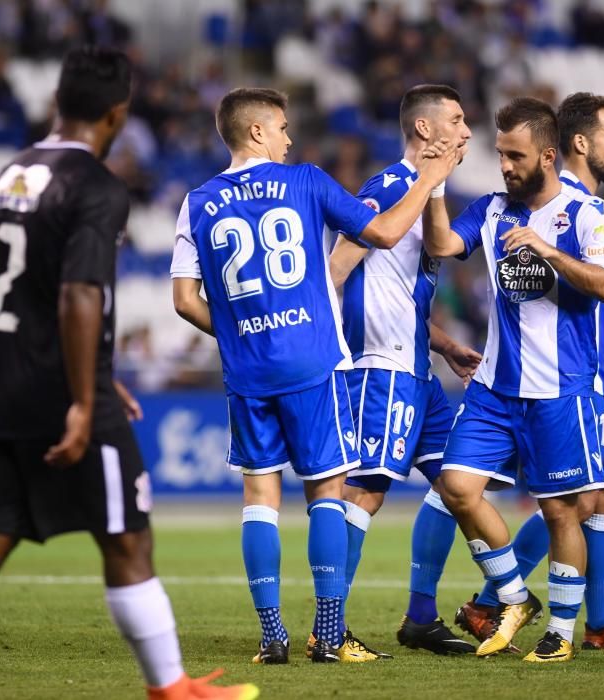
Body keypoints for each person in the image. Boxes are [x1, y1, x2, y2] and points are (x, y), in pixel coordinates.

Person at [0, 47, 257, 700]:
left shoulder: (8, 175)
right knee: (128, 537)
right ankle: (170, 687)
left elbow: (8, 297)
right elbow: (79, 295)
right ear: (118, 114)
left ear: (55, 103)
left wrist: (88, 369)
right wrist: (83, 395)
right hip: (62, 392)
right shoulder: (95, 185)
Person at [170, 88, 459, 664]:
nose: (288, 137)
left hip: (247, 368)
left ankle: (271, 636)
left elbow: (183, 300)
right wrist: (428, 181)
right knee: (327, 490)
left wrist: (239, 336)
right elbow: (378, 234)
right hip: (312, 361)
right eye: (279, 127)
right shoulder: (304, 180)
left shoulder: (197, 201)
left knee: (259, 497)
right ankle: (329, 634)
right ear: (256, 133)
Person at [455, 92, 604, 651]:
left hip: (582, 380)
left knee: (592, 499)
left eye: (514, 155)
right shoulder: (519, 207)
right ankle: (495, 602)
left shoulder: (586, 210)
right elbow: (601, 291)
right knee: (565, 501)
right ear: (577, 145)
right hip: (543, 382)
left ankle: (589, 624)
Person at [423, 97, 604, 663]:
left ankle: (561, 631)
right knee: (457, 487)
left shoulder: (586, 214)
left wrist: (547, 250)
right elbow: (442, 245)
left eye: (516, 156)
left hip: (560, 390)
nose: (505, 166)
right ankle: (515, 596)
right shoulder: (491, 209)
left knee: (562, 511)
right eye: (500, 154)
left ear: (549, 155)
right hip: (494, 387)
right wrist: (436, 185)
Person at [327, 84, 479, 656]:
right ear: (424, 131)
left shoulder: (428, 196)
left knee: (457, 484)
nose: (466, 132)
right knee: (364, 493)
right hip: (381, 368)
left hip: (419, 369)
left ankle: (420, 618)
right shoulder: (389, 188)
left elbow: (395, 290)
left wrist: (442, 344)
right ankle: (330, 625)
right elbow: (337, 271)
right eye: (458, 120)